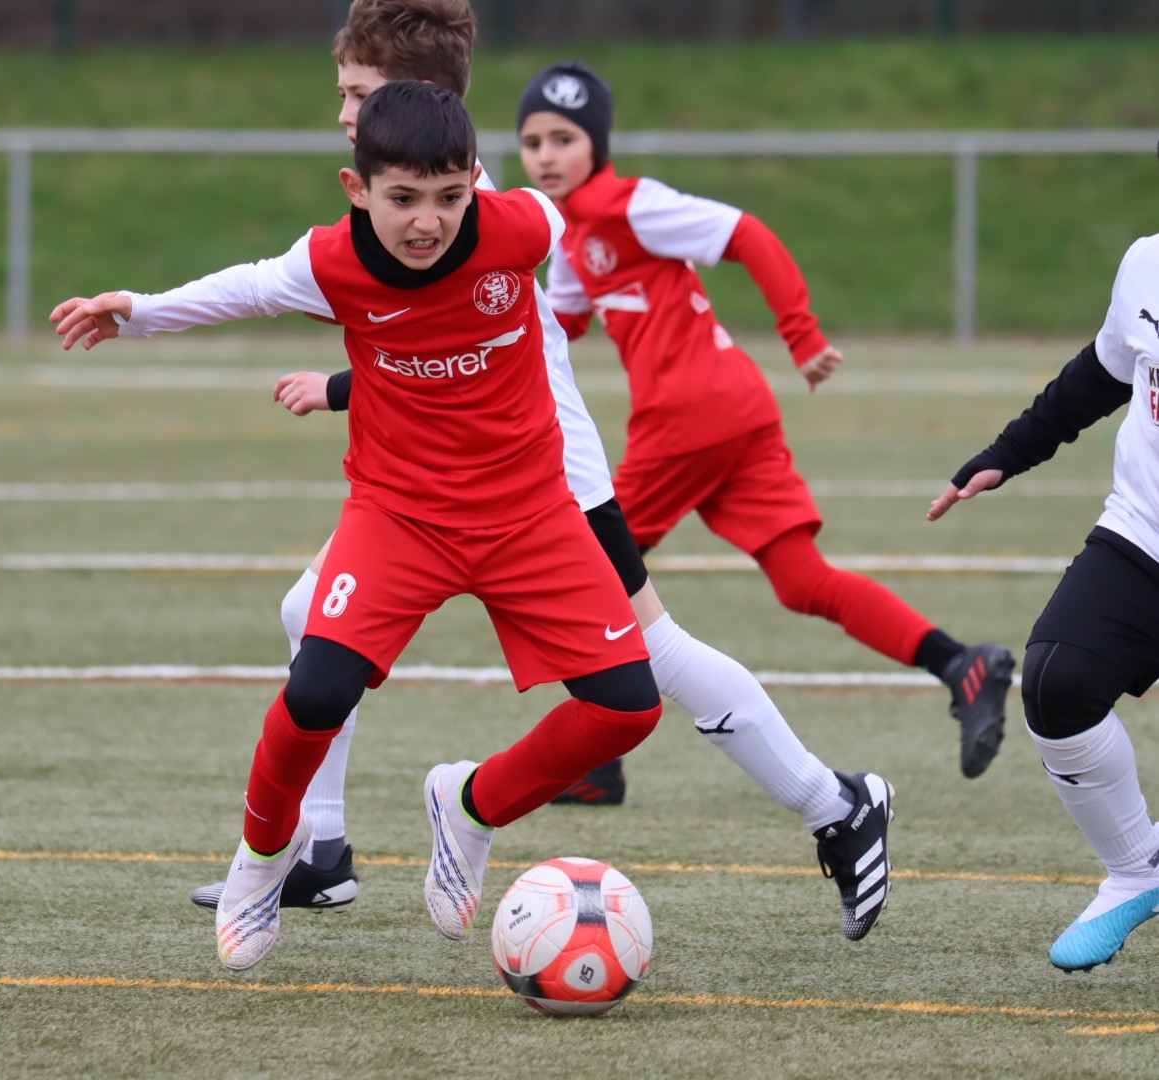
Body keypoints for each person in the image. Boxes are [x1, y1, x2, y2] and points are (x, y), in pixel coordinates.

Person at [194, 0, 894, 946]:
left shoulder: (461, 206)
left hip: (547, 475)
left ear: (418, 100)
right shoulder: (425, 203)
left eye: (357, 93)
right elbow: (442, 344)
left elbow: (475, 338)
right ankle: (321, 851)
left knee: (651, 660)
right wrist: (347, 385)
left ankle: (833, 803)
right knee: (307, 614)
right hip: (462, 473)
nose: (344, 112)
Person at [54, 82, 668, 971]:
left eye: (450, 196)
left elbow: (536, 268)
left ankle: (470, 805)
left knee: (628, 706)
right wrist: (142, 313)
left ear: (475, 182)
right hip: (401, 516)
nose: (428, 222)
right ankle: (261, 862)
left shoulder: (524, 227)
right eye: (403, 198)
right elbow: (247, 288)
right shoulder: (330, 261)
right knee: (315, 693)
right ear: (358, 189)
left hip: (531, 513)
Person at [518, 59, 1016, 780]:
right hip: (736, 411)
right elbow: (557, 324)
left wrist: (801, 333)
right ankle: (960, 663)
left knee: (590, 568)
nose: (545, 156)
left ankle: (598, 762)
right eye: (533, 142)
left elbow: (747, 232)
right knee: (802, 580)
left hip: (688, 418)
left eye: (564, 139)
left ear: (598, 144)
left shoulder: (631, 204)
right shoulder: (567, 234)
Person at [929, 230, 1159, 972]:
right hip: (1145, 532)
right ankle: (1137, 870)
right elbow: (1101, 374)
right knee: (1059, 681)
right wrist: (1008, 453)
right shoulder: (1148, 262)